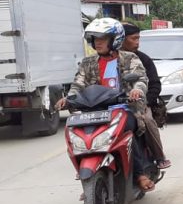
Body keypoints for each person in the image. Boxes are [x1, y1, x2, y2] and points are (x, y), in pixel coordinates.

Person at [56, 18, 155, 192]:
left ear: (114, 39)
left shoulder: (129, 58)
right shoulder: (88, 63)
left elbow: (140, 78)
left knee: (128, 133)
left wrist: (136, 91)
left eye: (102, 38)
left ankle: (139, 174)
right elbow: (78, 84)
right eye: (95, 39)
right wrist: (68, 99)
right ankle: (91, 180)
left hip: (124, 108)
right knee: (78, 137)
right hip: (94, 112)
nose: (98, 42)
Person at [121, 23, 171, 170]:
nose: (137, 42)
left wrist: (146, 101)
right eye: (133, 38)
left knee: (147, 121)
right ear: (121, 39)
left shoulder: (143, 59)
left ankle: (159, 157)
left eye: (138, 38)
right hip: (114, 104)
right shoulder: (109, 60)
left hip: (139, 103)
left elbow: (155, 84)